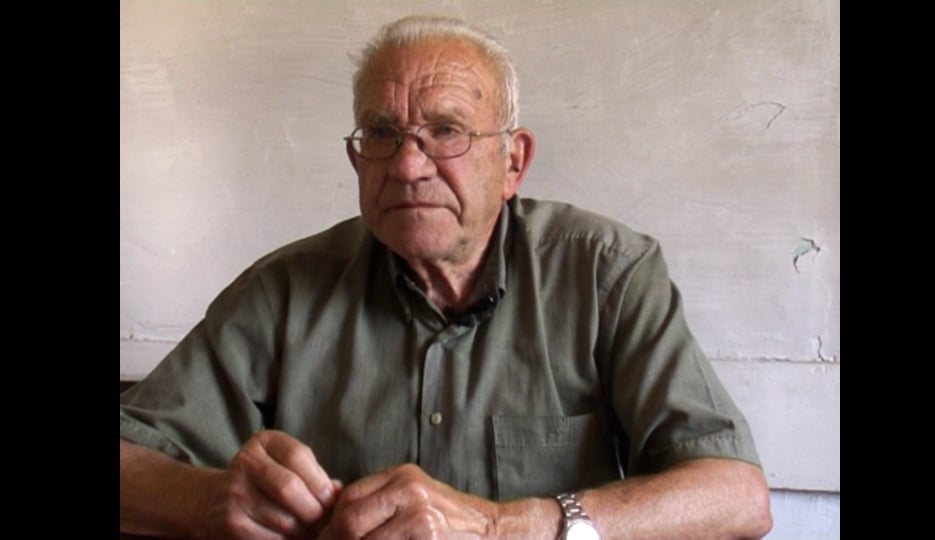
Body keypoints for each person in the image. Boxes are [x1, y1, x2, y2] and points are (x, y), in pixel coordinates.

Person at [120, 14, 772, 540]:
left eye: (446, 131)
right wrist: (207, 500)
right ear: (356, 159)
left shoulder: (607, 275)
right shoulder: (284, 291)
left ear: (513, 162)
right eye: (382, 133)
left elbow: (736, 496)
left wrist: (502, 527)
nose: (408, 166)